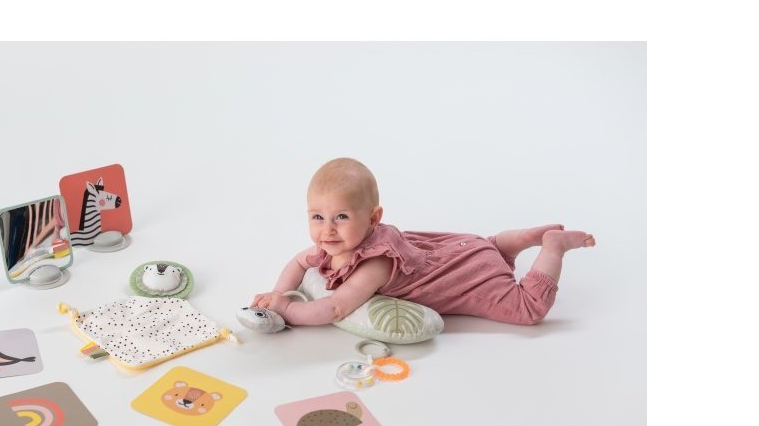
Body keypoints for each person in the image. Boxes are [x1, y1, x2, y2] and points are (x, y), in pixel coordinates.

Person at [250, 158, 595, 326]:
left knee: (527, 309)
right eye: (317, 217)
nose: (327, 231)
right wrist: (278, 292)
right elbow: (299, 262)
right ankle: (513, 241)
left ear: (373, 218)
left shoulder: (374, 264)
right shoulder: (334, 245)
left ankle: (552, 248)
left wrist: (288, 310)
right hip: (465, 248)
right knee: (491, 248)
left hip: (468, 275)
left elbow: (336, 307)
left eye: (341, 217)